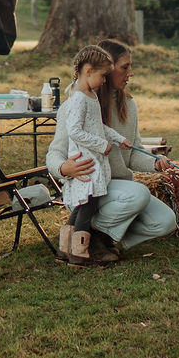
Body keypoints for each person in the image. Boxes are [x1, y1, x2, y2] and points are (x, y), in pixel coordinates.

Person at [49, 37, 178, 262]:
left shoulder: (128, 105)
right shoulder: (75, 105)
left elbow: (134, 153)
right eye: (125, 67)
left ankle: (102, 235)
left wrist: (155, 163)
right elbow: (54, 153)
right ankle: (88, 236)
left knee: (166, 221)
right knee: (139, 193)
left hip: (118, 189)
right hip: (88, 187)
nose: (130, 73)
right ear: (106, 71)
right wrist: (64, 168)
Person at [54, 44, 128, 267]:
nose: (105, 81)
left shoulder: (90, 96)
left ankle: (64, 248)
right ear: (88, 71)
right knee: (88, 206)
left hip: (94, 159)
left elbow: (98, 126)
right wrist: (101, 145)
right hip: (87, 161)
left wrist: (118, 139)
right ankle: (79, 253)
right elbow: (75, 131)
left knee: (84, 204)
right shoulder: (78, 99)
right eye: (103, 75)